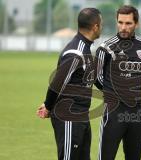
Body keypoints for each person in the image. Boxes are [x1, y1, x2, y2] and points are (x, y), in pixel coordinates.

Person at [36, 8, 102, 160]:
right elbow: (57, 83)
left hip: (81, 116)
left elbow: (94, 79)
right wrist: (48, 105)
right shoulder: (76, 52)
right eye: (101, 24)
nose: (101, 27)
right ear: (95, 26)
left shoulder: (85, 49)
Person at [95, 5, 141, 160]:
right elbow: (97, 78)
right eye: (120, 22)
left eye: (128, 23)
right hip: (113, 114)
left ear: (137, 24)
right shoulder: (105, 48)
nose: (123, 27)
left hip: (137, 114)